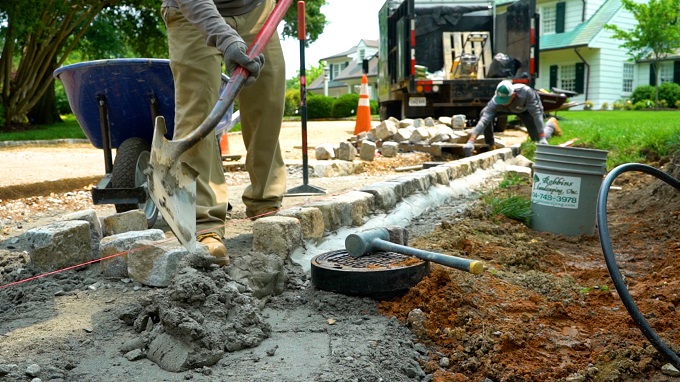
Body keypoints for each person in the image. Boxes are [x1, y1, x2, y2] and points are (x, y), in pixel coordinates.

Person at [161, 0, 287, 265]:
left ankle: (265, 203)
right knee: (197, 110)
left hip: (256, 9)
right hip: (191, 12)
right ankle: (203, 221)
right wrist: (227, 40)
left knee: (269, 100)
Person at [464, 80, 557, 157]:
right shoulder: (496, 101)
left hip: (525, 111)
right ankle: (490, 144)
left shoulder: (526, 92)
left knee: (537, 140)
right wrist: (471, 141)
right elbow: (484, 120)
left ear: (513, 95)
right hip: (506, 109)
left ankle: (551, 125)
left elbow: (536, 114)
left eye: (505, 100)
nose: (502, 102)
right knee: (484, 113)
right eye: (501, 100)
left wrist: (542, 137)